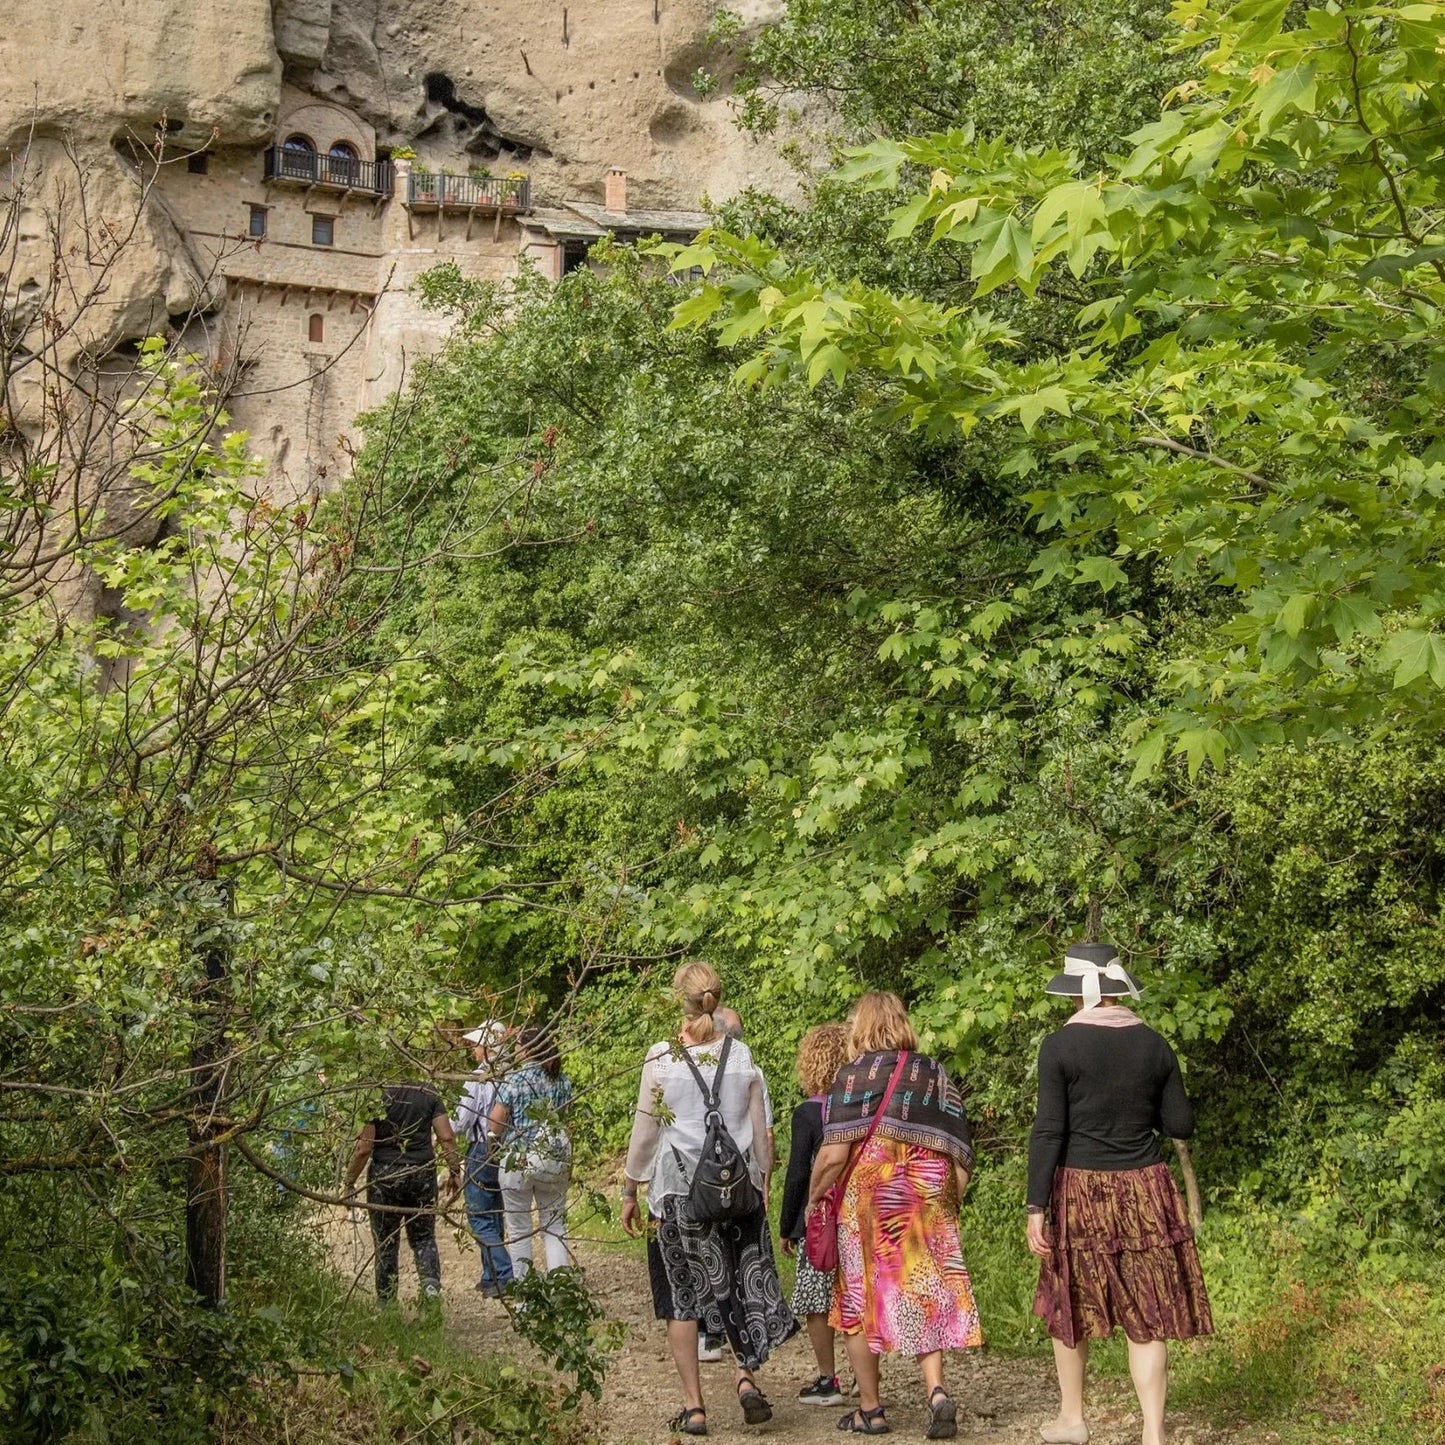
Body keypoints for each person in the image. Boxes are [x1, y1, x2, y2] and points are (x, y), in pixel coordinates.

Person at [1027, 942, 1213, 1445]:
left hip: (1080, 1190)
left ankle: (1073, 1420)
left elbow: (1049, 1131)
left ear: (1079, 994)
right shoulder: (1155, 1044)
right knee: (1146, 1310)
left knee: (1072, 1302)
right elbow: (1180, 1123)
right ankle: (1153, 1434)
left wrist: (1035, 1207)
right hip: (1145, 1188)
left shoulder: (1059, 1047)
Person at [621, 961, 795, 1436]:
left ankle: (695, 1408)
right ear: (716, 999)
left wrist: (630, 1188)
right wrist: (762, 1181)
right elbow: (760, 1134)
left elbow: (645, 1132)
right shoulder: (741, 1057)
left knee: (682, 1296)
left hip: (678, 1196)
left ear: (681, 999)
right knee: (736, 1282)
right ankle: (744, 1378)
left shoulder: (662, 1057)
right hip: (736, 1193)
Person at [809, 992, 982, 1438]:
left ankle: (871, 1409)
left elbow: (833, 1156)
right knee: (922, 1290)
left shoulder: (852, 1076)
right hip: (927, 1193)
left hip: (869, 1202)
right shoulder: (934, 1073)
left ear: (861, 1027)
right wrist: (950, 1202)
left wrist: (814, 1198)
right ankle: (937, 1391)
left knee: (858, 1302)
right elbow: (959, 1148)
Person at [697, 1003, 776, 1365]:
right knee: (740, 1261)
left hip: (699, 1181)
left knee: (708, 1258)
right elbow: (765, 1133)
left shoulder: (684, 1064)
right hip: (742, 1181)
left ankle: (713, 1333)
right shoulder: (749, 1067)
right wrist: (764, 1179)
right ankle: (746, 1354)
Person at [779, 1021, 853, 1407]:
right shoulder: (860, 1106)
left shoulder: (807, 1114)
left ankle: (829, 1378)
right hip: (858, 1213)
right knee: (856, 1297)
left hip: (821, 1217)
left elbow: (798, 1174)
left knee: (816, 1301)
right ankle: (863, 1376)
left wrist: (788, 1227)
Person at [343, 1080, 460, 1302]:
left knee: (386, 1242)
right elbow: (446, 1137)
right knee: (424, 1238)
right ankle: (431, 1291)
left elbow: (363, 1148)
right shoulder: (428, 1090)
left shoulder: (375, 1094)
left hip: (384, 1176)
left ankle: (387, 1305)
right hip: (422, 1173)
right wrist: (455, 1171)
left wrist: (349, 1182)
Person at [489, 1023, 575, 1277]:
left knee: (519, 1231)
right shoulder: (562, 1081)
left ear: (526, 1050)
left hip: (519, 1159)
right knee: (555, 1226)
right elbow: (569, 1125)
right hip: (554, 1159)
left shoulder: (514, 1080)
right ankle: (561, 1291)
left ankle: (525, 1295)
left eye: (517, 1046)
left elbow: (496, 1122)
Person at [453, 1021, 514, 1296]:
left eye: (478, 1045)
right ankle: (490, 1275)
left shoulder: (478, 1078)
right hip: (506, 1149)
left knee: (479, 1216)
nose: (474, 1050)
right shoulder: (513, 1075)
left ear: (488, 1048)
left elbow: (462, 1119)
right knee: (496, 1213)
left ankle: (503, 1274)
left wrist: (443, 1129)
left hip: (481, 1147)